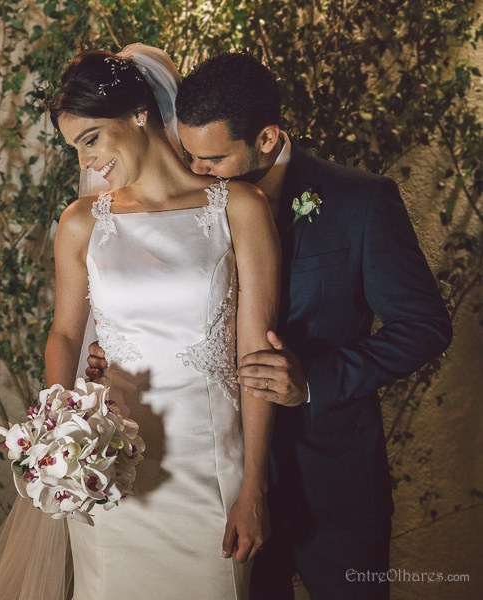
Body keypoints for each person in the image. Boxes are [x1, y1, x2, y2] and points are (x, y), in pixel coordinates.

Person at [86, 52, 452, 599]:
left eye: (212, 158)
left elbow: (424, 326)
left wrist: (315, 382)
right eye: (189, 154)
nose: (196, 171)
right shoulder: (188, 202)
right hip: (217, 483)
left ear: (267, 137)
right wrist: (119, 352)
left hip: (331, 482)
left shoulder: (362, 201)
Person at [46, 47, 280, 599]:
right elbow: (64, 334)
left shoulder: (239, 208)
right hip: (112, 472)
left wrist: (253, 487)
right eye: (76, 149)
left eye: (91, 139)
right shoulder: (81, 224)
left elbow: (256, 358)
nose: (86, 163)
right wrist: (60, 435)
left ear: (139, 114)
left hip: (210, 472)